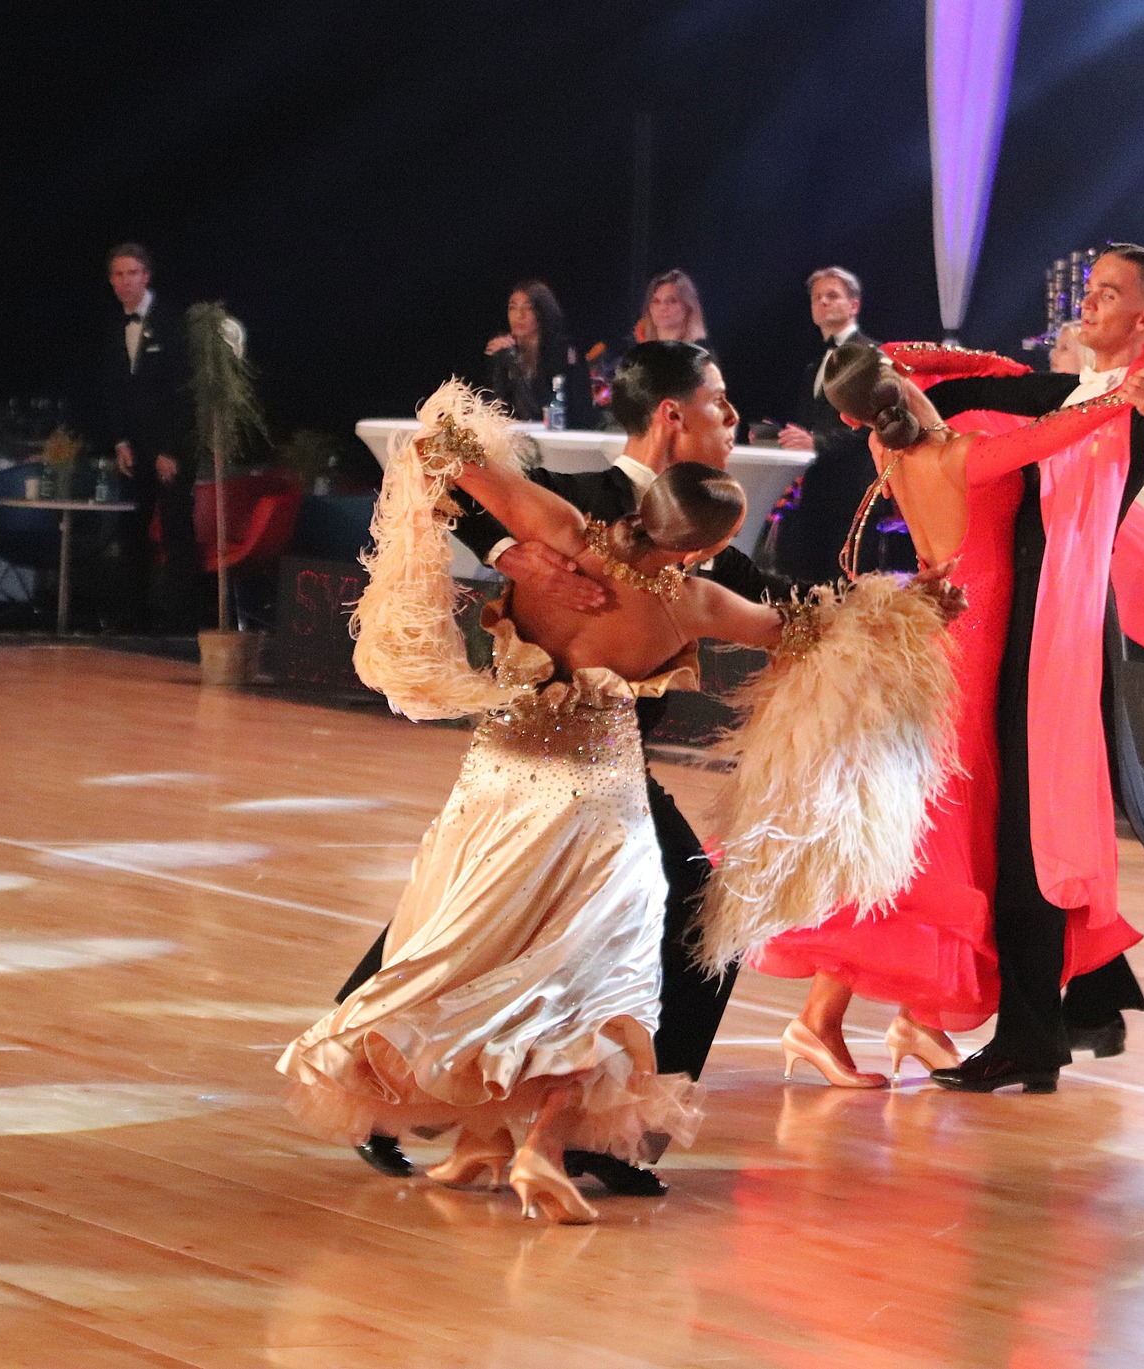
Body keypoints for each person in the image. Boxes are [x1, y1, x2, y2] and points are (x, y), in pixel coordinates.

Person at [280, 384, 791, 1224]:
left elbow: (441, 448)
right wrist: (504, 550)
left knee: (477, 925)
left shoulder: (566, 523)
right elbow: (792, 628)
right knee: (572, 958)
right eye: (720, 406)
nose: (733, 422)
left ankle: (524, 1134)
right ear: (671, 413)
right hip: (597, 787)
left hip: (508, 771)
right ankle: (529, 1135)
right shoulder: (679, 583)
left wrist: (522, 545)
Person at [743, 343, 1144, 1085]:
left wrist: (890, 362)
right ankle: (819, 1019)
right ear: (903, 384)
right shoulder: (967, 455)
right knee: (932, 841)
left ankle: (918, 1018)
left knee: (947, 839)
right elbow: (1054, 428)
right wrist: (1120, 396)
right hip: (968, 658)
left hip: (937, 639)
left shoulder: (887, 449)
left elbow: (925, 376)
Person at [918, 243, 1144, 1092]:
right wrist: (895, 383)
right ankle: (1077, 1008)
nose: (1089, 302)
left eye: (1108, 293)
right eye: (1091, 289)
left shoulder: (1142, 406)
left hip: (1064, 631)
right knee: (1028, 822)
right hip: (1019, 620)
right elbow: (955, 399)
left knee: (1035, 828)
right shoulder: (1065, 394)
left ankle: (1033, 1035)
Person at [770, 267, 912, 580]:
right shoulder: (814, 365)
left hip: (854, 491)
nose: (822, 302)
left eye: (832, 295)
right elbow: (814, 421)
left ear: (854, 305)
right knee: (809, 585)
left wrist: (816, 442)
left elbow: (880, 420)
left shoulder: (874, 356)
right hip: (817, 491)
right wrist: (780, 436)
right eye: (816, 297)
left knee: (848, 587)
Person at [95, 243, 196, 631]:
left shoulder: (172, 322)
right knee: (131, 531)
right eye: (118, 275)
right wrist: (119, 441)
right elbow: (112, 389)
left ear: (146, 276)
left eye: (132, 273)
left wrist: (170, 449)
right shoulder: (112, 325)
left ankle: (182, 623)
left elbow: (183, 391)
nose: (125, 282)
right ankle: (131, 622)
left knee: (175, 531)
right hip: (133, 449)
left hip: (170, 447)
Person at [483, 280, 591, 427]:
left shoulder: (563, 351)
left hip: (561, 435)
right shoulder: (504, 351)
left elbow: (576, 410)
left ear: (543, 312)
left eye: (528, 308)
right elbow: (492, 407)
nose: (519, 315)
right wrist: (507, 359)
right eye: (513, 308)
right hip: (514, 435)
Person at [632, 268, 710, 347]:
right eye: (656, 301)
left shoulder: (700, 351)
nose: (662, 307)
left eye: (672, 301)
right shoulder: (640, 350)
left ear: (688, 307)